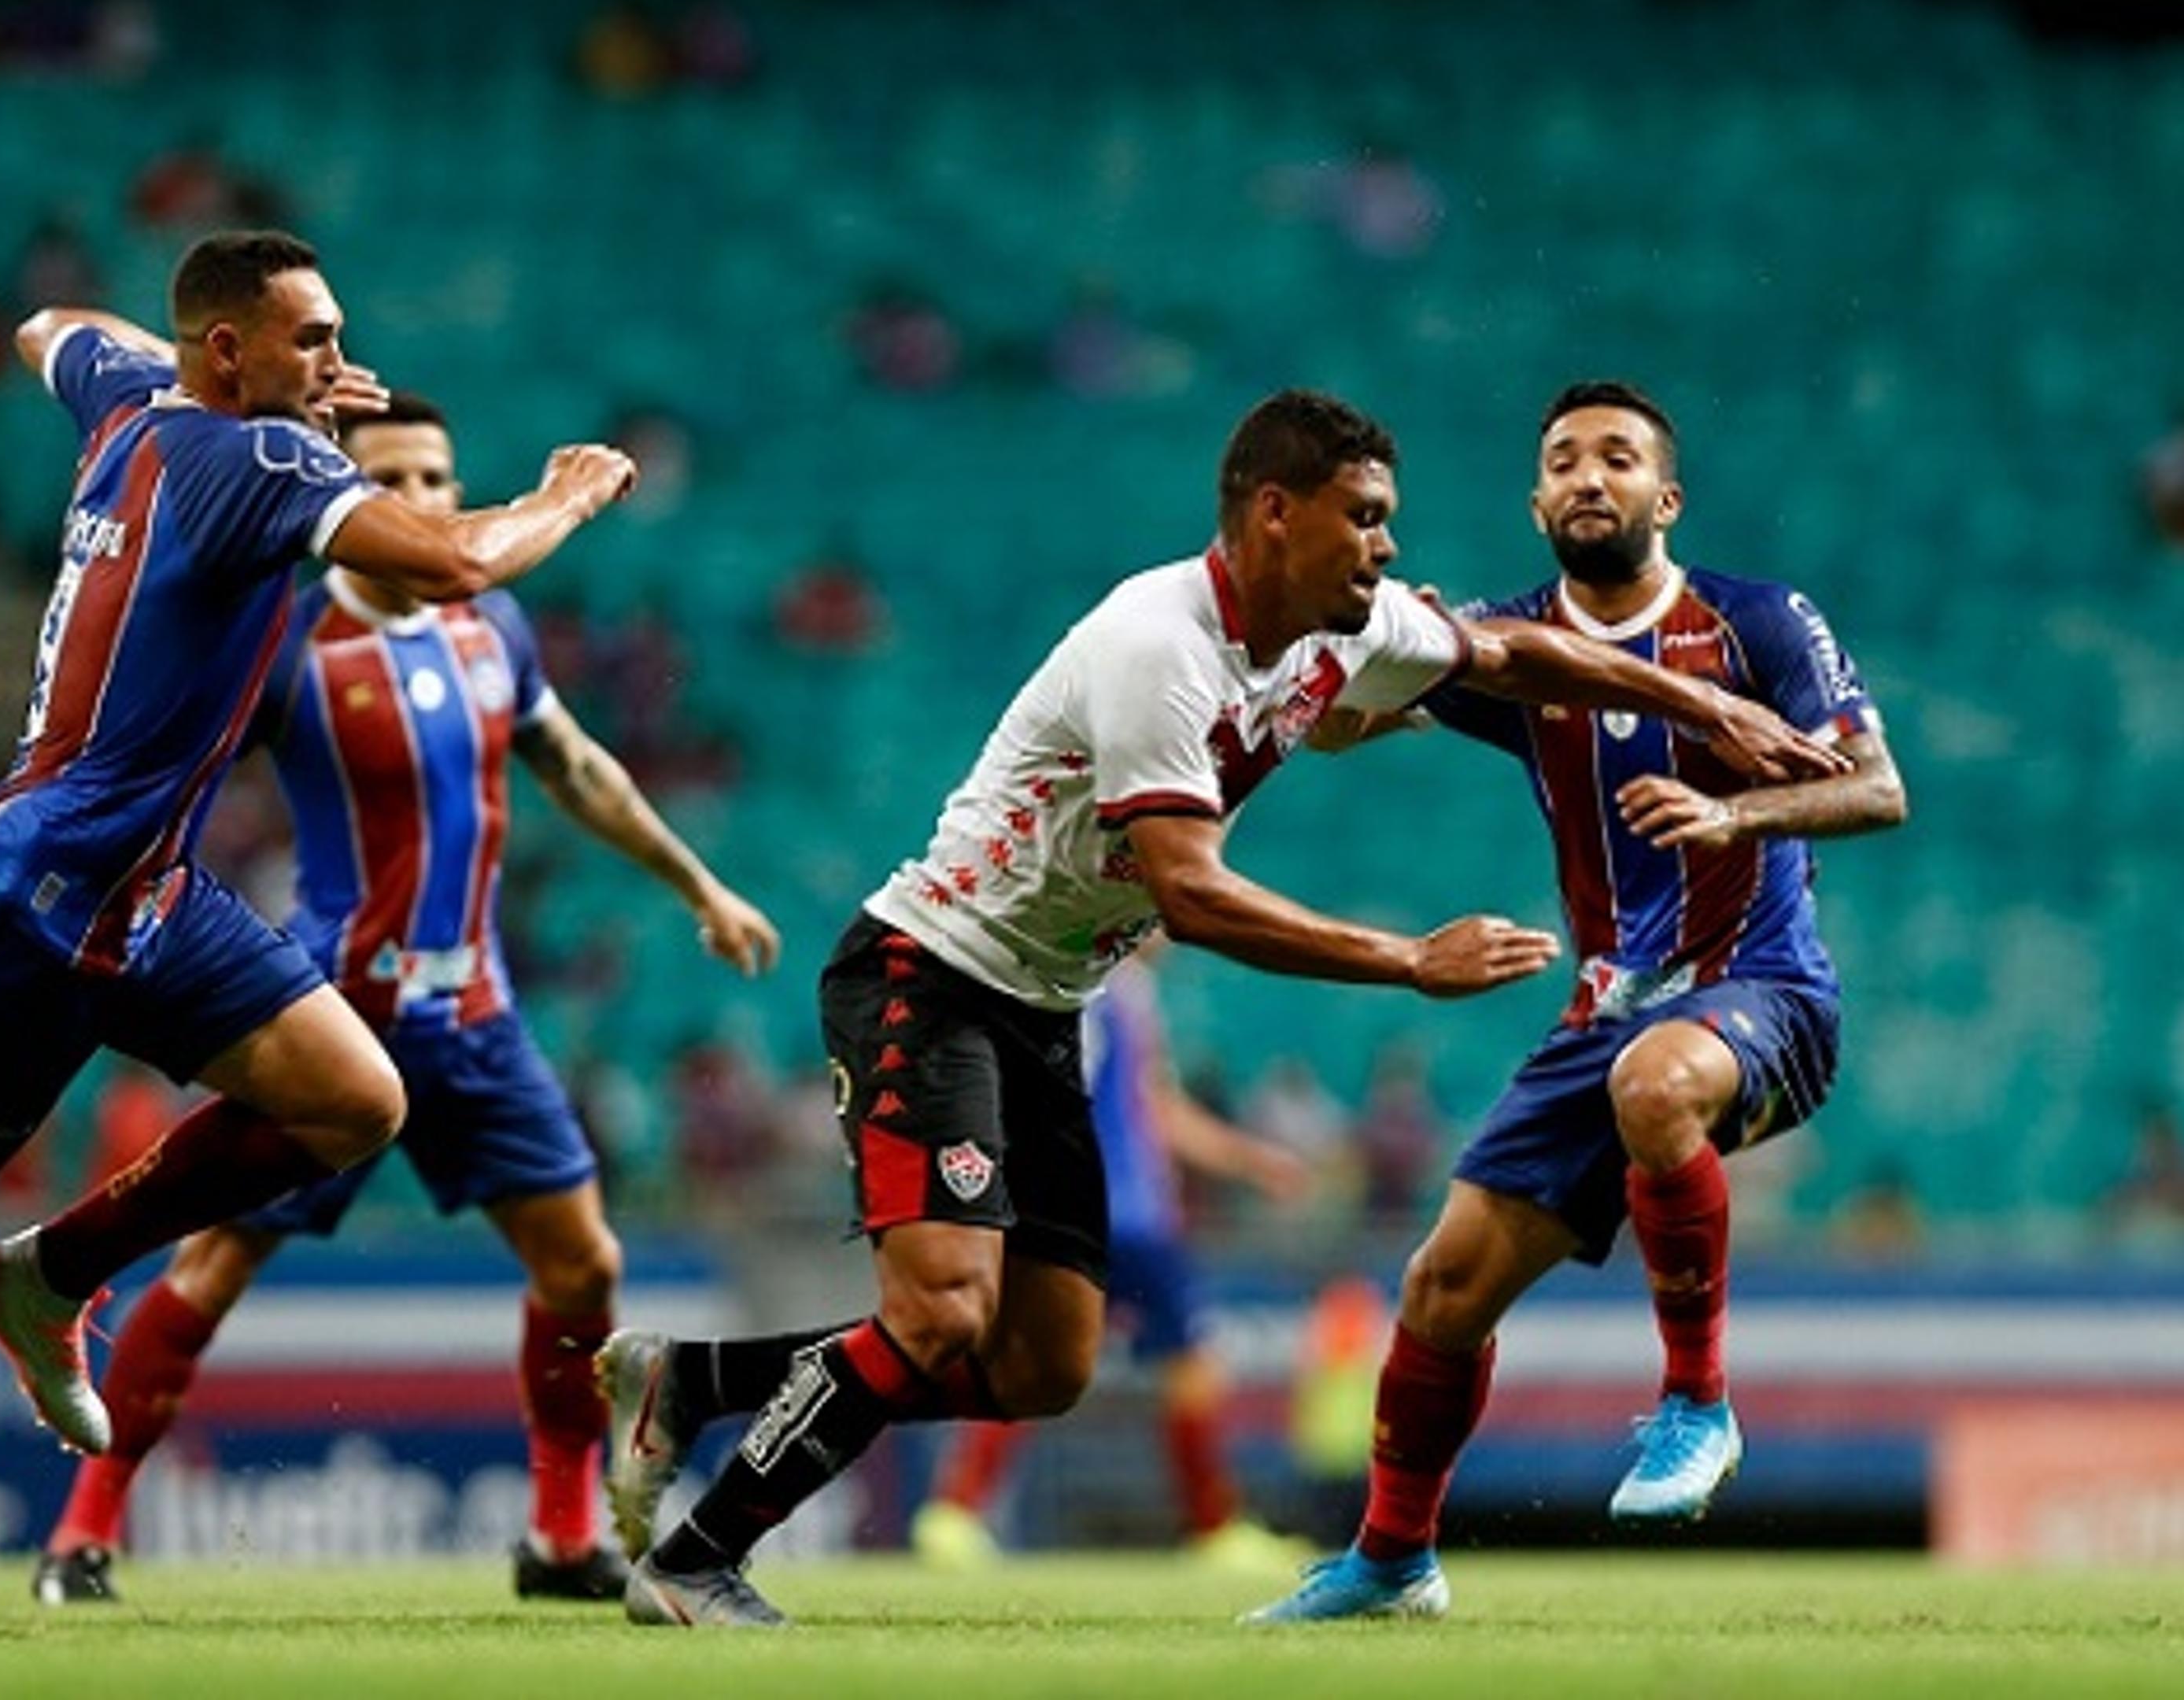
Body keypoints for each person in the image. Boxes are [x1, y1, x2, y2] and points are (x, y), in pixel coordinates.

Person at [597, 386, 1847, 1628]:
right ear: (1273, 514)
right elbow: (1190, 898)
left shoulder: (1335, 632)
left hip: (1046, 1002)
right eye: (1363, 519)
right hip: (930, 976)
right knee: (944, 1310)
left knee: (1042, 1365)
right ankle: (697, 1559)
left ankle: (693, 1384)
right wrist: (1410, 960)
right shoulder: (1159, 646)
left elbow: (1518, 655)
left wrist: (1708, 703)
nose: (1388, 546)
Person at [0, 228, 637, 1621]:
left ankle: (49, 1276)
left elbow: (47, 323)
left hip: (151, 895)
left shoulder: (129, 399)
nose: (342, 368)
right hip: (27, 901)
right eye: (312, 339)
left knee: (351, 1099)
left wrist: (191, 361)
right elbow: (451, 560)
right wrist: (565, 494)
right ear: (226, 349)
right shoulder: (257, 462)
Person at [29, 391, 782, 1607]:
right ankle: (82, 1537)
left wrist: (700, 884)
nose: (427, 502)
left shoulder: (496, 631)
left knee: (584, 1265)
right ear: (352, 504)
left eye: (440, 480)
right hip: (330, 1022)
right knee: (212, 1272)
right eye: (398, 483)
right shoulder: (290, 649)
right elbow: (169, 772)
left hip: (477, 1018)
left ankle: (558, 1534)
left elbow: (577, 767)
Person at [1247, 379, 1906, 1624]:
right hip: (1606, 1015)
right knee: (1441, 1293)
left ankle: (1697, 1406)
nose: (1587, 476)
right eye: (1562, 460)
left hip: (1759, 993)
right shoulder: (1511, 642)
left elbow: (1878, 790)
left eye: (1617, 457)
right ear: (1536, 499)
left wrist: (1733, 811)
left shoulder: (1758, 623)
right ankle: (1392, 1564)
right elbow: (1333, 728)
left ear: (1667, 498)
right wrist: (1374, 648)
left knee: (1655, 1079)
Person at [909, 941, 1314, 1571]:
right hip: (1127, 1215)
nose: (1172, 931)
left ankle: (953, 1514)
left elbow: (1151, 1110)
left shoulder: (1113, 988)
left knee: (1032, 1360)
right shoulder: (1099, 991)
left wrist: (1248, 1161)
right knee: (1189, 1366)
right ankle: (1214, 1528)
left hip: (1085, 1210)